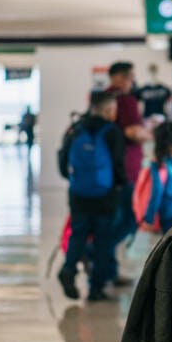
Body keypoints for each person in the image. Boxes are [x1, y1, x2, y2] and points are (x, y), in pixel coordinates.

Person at [57, 92, 127, 302]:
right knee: (103, 241)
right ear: (107, 110)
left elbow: (62, 163)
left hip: (79, 193)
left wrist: (75, 180)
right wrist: (120, 186)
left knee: (78, 234)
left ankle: (69, 270)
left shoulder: (75, 129)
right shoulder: (112, 132)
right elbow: (118, 166)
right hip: (105, 196)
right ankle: (96, 288)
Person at [106, 62, 153, 284]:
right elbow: (134, 132)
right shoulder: (126, 101)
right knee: (130, 220)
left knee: (112, 220)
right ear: (122, 78)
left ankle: (108, 270)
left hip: (108, 171)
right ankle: (96, 251)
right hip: (126, 171)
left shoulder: (102, 98)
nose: (132, 82)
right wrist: (151, 132)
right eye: (130, 78)